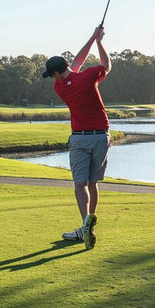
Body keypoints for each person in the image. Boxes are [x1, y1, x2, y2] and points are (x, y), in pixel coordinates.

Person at [43, 25, 111, 250]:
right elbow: (105, 66)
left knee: (79, 183)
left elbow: (76, 64)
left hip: (80, 139)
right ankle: (88, 224)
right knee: (92, 183)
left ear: (55, 73)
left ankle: (85, 225)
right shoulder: (89, 77)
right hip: (101, 137)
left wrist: (93, 38)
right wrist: (98, 41)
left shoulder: (59, 87)